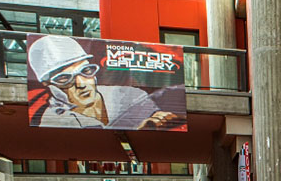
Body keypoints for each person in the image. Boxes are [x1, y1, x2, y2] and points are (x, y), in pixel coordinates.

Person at [27, 35, 180, 130]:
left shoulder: (128, 95)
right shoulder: (54, 120)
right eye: (64, 79)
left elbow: (160, 116)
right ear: (48, 86)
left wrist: (160, 118)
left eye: (86, 71)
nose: (81, 84)